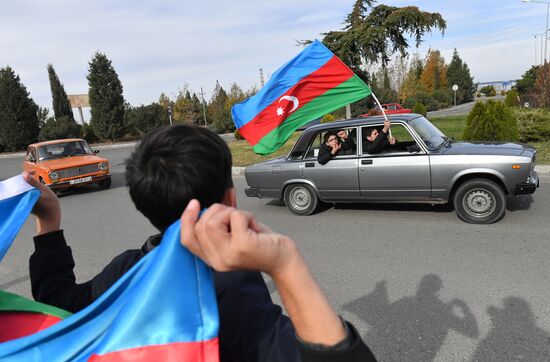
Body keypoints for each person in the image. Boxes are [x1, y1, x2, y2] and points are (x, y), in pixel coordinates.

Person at [26, 124, 376, 362]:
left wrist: (49, 222)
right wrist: (285, 264)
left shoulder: (128, 268)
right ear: (230, 199)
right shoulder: (229, 285)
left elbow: (58, 305)